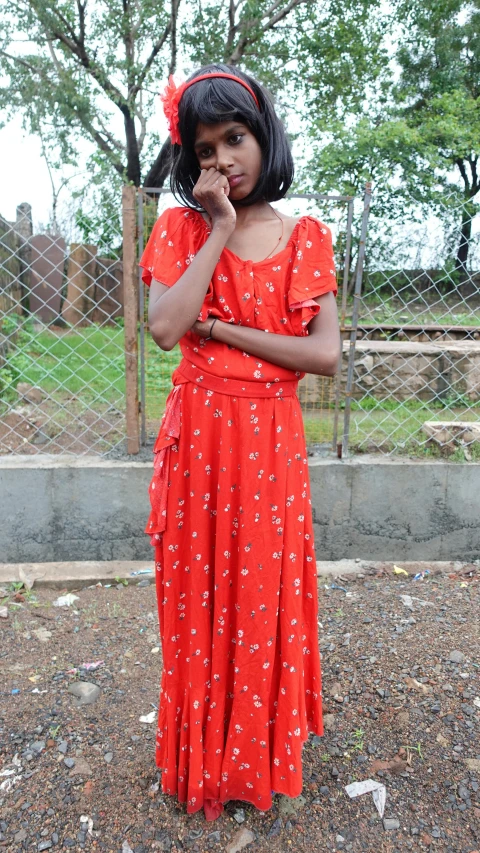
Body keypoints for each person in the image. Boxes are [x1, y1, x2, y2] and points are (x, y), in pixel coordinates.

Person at [139, 63, 341, 822]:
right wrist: (219, 226)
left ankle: (254, 762)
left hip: (269, 446)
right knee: (196, 601)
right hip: (199, 442)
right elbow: (164, 328)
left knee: (261, 599)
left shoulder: (305, 235)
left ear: (264, 137)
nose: (225, 159)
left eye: (237, 138)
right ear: (191, 161)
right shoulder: (184, 229)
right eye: (206, 148)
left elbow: (322, 354)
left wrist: (220, 329)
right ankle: (196, 763)